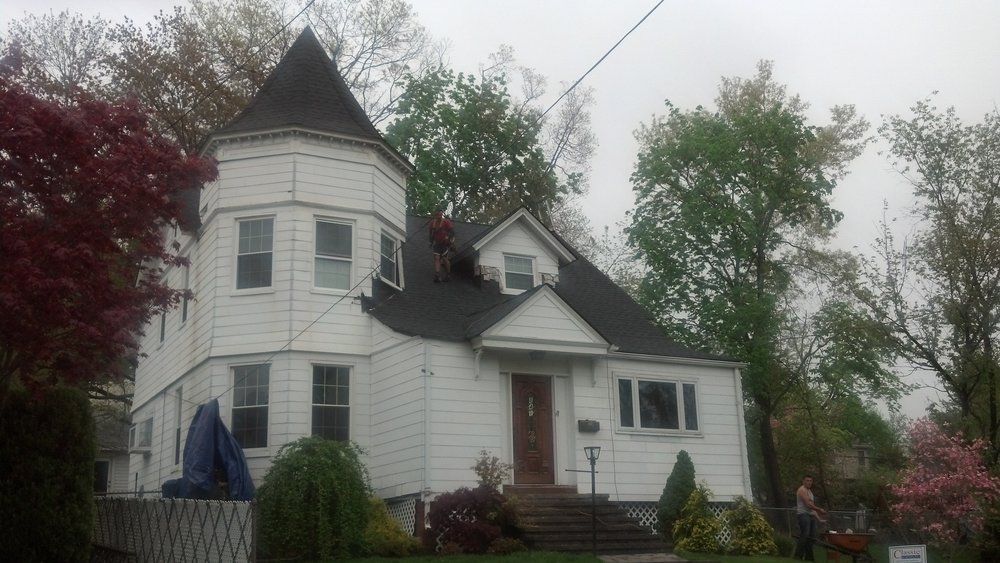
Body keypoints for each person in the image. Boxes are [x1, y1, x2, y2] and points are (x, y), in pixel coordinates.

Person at [794, 474, 827, 560]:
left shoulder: (810, 492)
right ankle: (798, 556)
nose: (809, 482)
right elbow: (808, 505)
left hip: (810, 515)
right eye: (807, 480)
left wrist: (819, 519)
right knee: (805, 534)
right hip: (803, 515)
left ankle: (809, 557)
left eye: (810, 481)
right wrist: (820, 509)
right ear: (803, 481)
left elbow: (812, 509)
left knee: (812, 537)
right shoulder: (802, 490)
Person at [428, 210, 454, 282]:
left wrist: (449, 238)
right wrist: (431, 242)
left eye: (440, 215)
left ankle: (448, 274)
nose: (439, 216)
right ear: (435, 215)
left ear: (441, 215)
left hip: (445, 243)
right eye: (437, 215)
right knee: (437, 258)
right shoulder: (432, 223)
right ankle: (437, 274)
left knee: (445, 259)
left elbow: (452, 231)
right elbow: (431, 234)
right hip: (437, 243)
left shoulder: (446, 222)